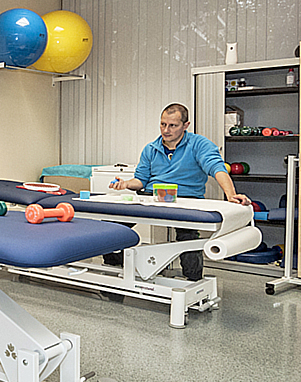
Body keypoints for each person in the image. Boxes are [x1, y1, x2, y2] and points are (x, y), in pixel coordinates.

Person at [106, 103, 251, 281]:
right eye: (163, 124)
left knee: (187, 236)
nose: (166, 130)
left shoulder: (199, 144)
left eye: (172, 125)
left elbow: (217, 168)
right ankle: (114, 271)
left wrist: (231, 194)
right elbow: (140, 180)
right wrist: (126, 184)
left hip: (186, 198)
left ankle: (194, 280)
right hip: (152, 197)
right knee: (112, 225)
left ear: (186, 125)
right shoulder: (151, 149)